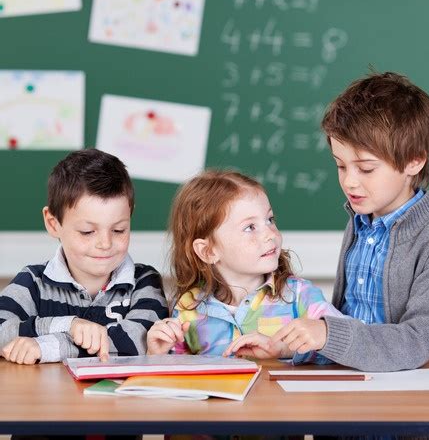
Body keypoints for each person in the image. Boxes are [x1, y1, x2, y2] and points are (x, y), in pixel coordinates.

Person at [273, 71, 429, 372]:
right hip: (357, 378)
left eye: (366, 169)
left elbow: (417, 339)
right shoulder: (359, 223)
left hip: (418, 385)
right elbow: (346, 321)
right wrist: (292, 345)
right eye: (340, 166)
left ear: (414, 161)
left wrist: (328, 333)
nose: (349, 182)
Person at [146, 169, 343, 361]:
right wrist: (157, 356)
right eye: (250, 227)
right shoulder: (188, 309)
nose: (270, 234)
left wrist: (284, 349)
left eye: (270, 219)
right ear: (208, 251)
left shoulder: (300, 296)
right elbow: (178, 378)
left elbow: (347, 344)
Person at [0, 148, 169, 365]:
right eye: (88, 232)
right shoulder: (33, 281)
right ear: (53, 223)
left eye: (118, 230)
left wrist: (47, 346)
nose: (105, 244)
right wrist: (68, 324)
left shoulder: (144, 281)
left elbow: (139, 340)